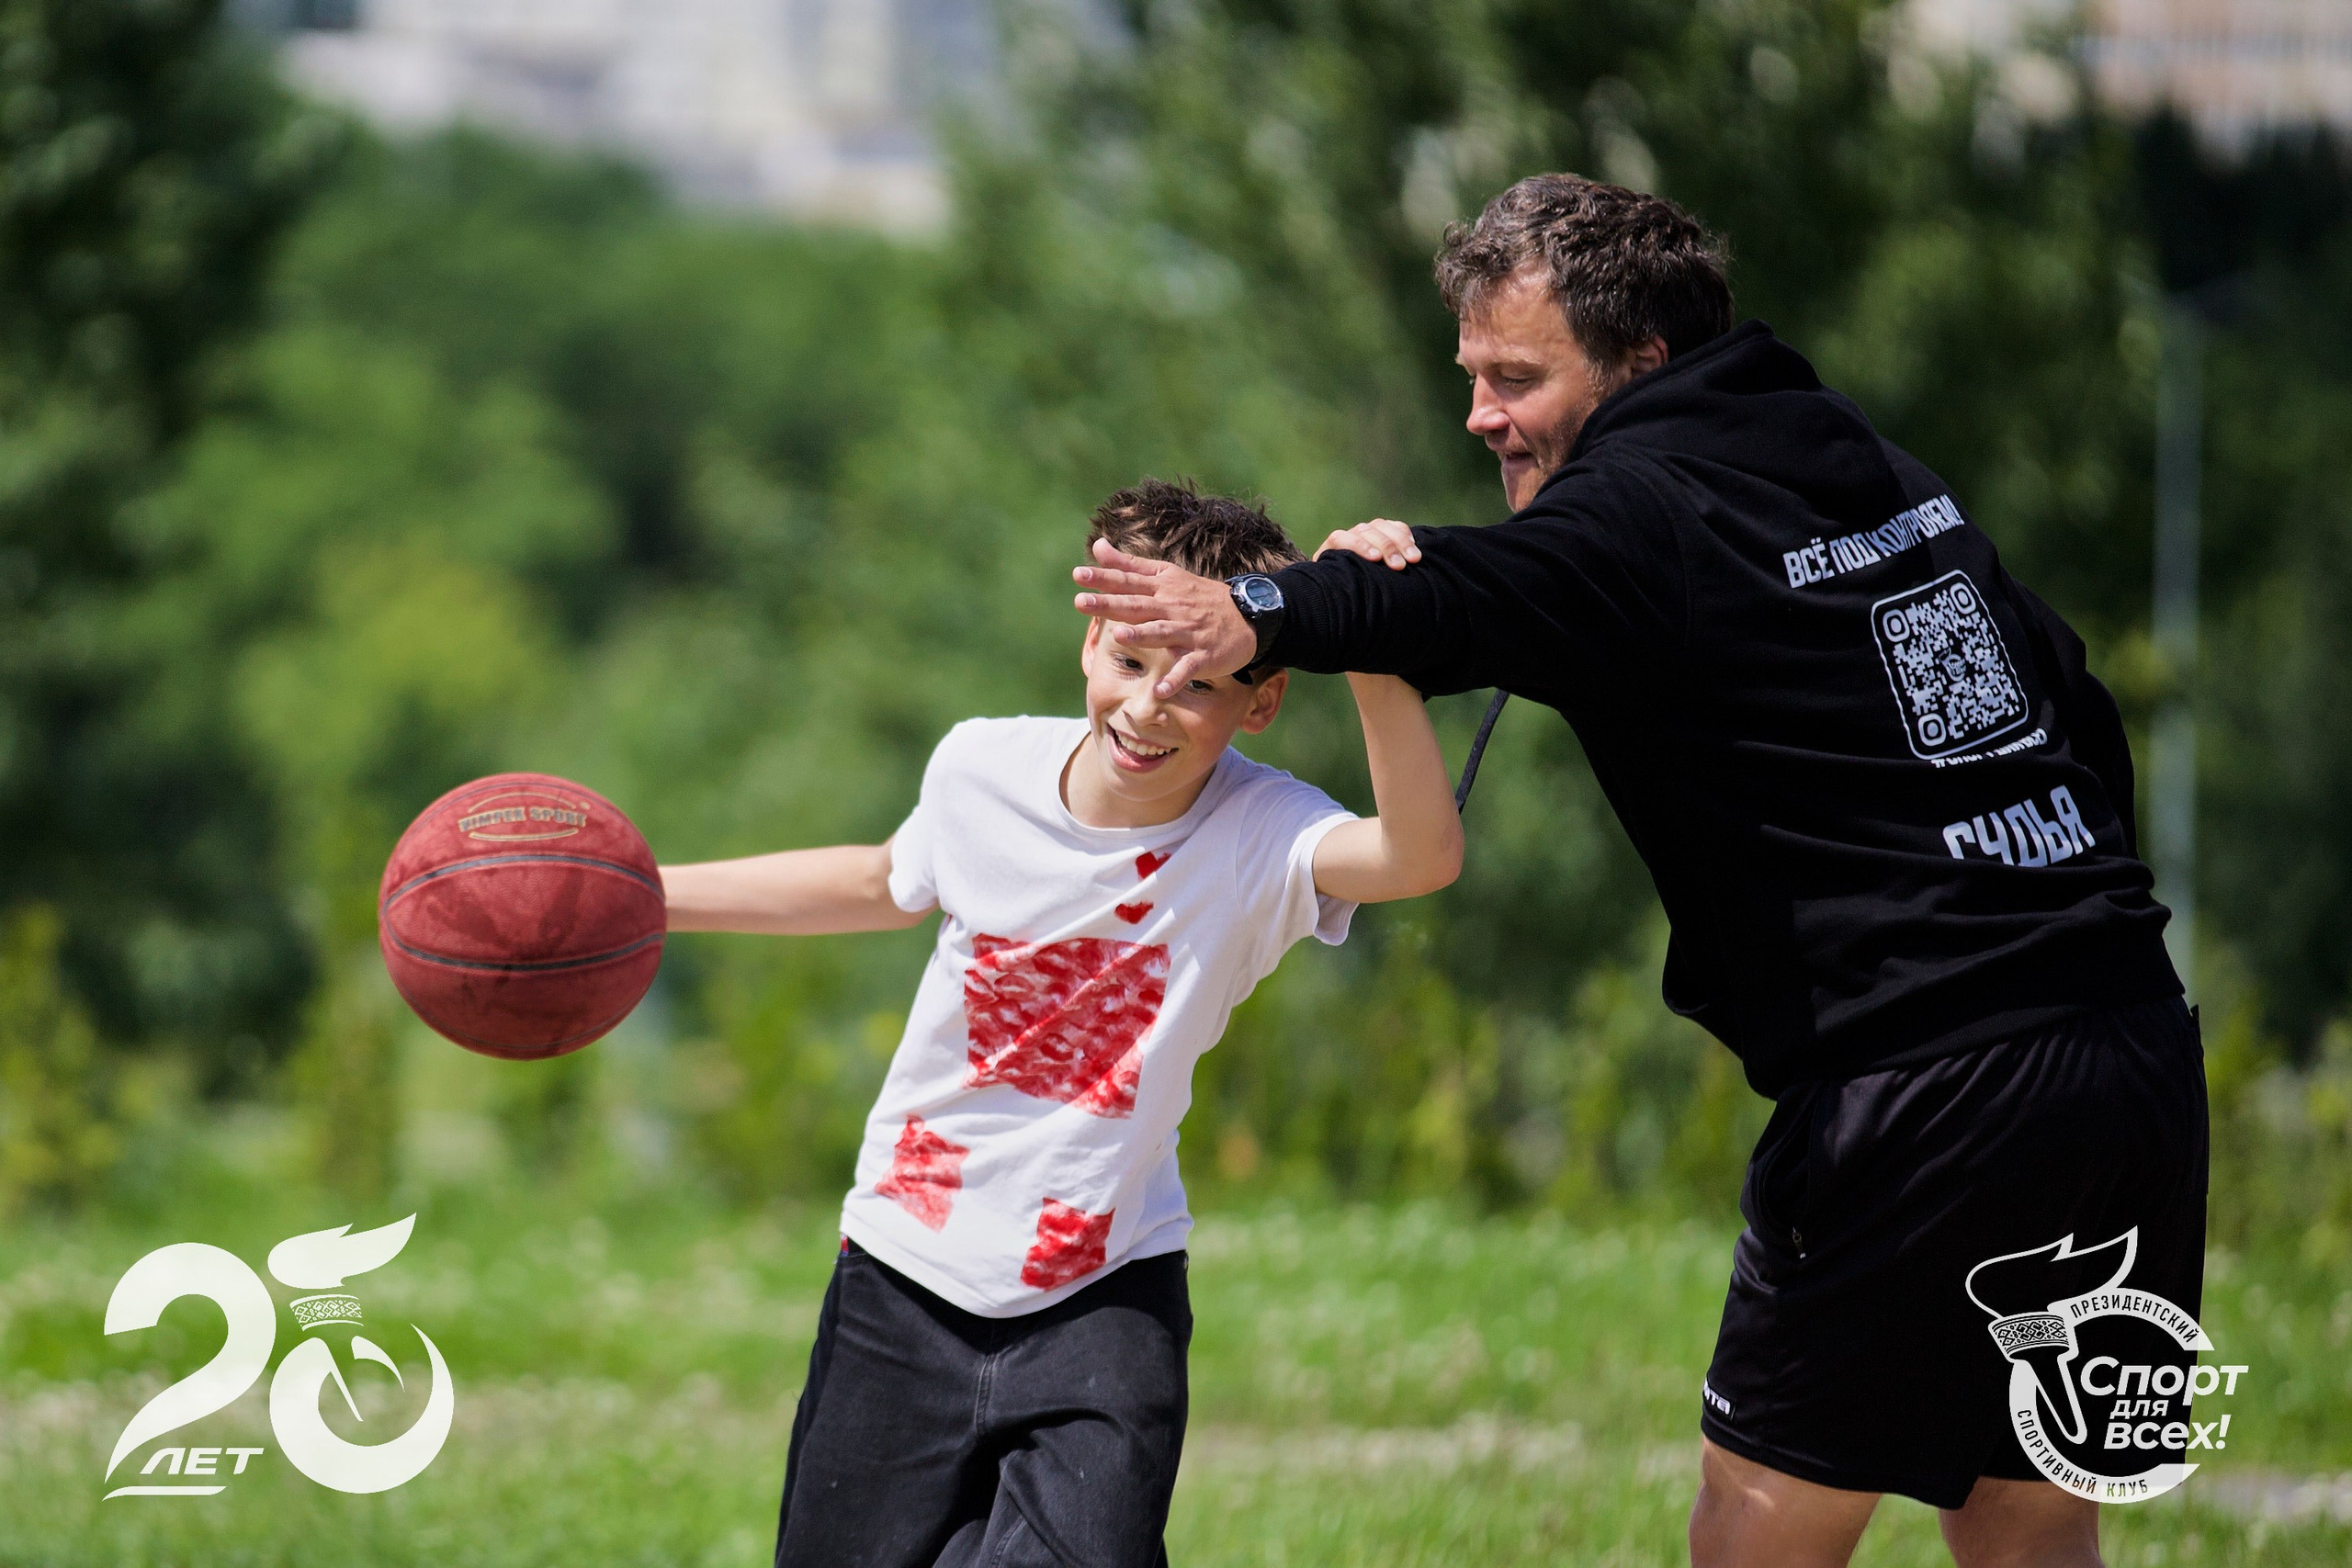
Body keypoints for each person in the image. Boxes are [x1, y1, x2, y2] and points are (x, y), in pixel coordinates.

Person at [1069, 175, 2204, 1568]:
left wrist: (1254, 604)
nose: (1482, 412)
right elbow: (2072, 691)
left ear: (1642, 358)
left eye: (1517, 376)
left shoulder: (1646, 505)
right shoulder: (1863, 465)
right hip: (2127, 1044)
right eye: (1472, 374)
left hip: (1917, 1081)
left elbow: (1467, 599)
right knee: (2027, 1511)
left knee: (1755, 1523)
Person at [661, 478, 1464, 1568]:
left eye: (1197, 685)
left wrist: (1362, 632)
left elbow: (1419, 857)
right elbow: (880, 879)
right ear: (1089, 642)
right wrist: (646, 891)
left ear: (1261, 700)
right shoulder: (977, 768)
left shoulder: (1259, 833)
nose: (1146, 708)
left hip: (1105, 1297)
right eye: (1129, 664)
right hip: (903, 1279)